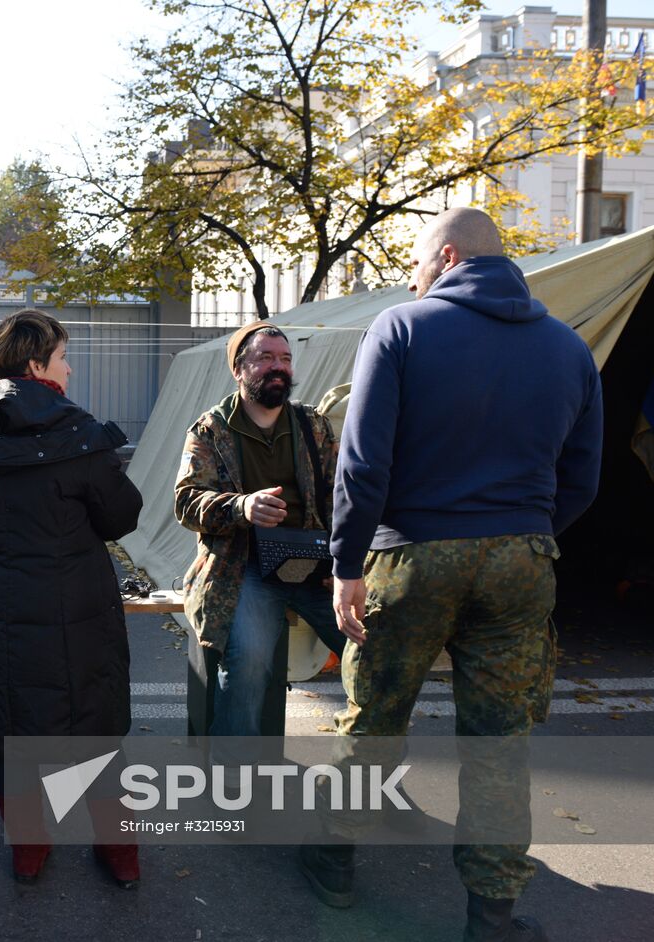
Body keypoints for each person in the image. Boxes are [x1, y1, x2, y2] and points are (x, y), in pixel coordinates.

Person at [304, 207, 602, 942]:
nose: (412, 277)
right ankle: (491, 914)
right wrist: (524, 535)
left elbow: (363, 463)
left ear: (444, 255)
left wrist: (346, 565)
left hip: (412, 553)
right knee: (499, 739)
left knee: (375, 716)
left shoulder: (402, 328)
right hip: (521, 559)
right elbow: (585, 478)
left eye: (414, 263)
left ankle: (335, 862)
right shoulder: (569, 349)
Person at [0, 309, 144, 888]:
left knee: (12, 733)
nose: (70, 370)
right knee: (94, 732)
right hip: (72, 610)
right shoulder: (78, 434)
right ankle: (120, 854)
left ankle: (29, 851)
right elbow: (122, 516)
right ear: (35, 365)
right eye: (62, 358)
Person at [173, 321, 345, 745]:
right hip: (245, 569)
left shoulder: (313, 426)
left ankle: (368, 756)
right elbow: (186, 501)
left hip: (314, 565)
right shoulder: (211, 430)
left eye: (285, 359)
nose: (278, 367)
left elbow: (341, 497)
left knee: (371, 643)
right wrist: (242, 506)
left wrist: (343, 563)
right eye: (265, 358)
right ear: (239, 368)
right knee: (248, 659)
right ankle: (234, 774)